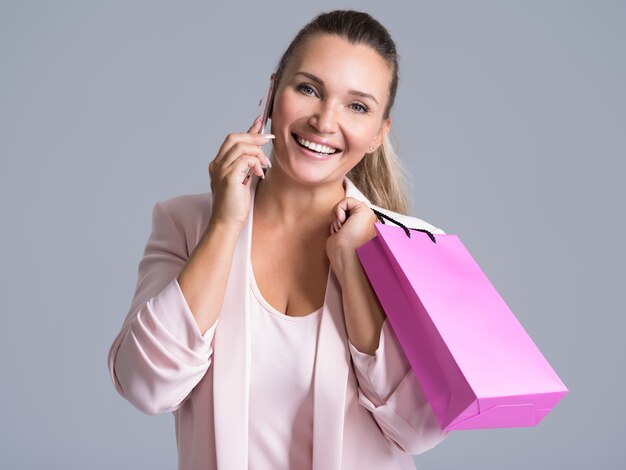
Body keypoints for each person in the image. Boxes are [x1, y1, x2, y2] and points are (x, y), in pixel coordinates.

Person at [108, 9, 449, 470]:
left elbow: (419, 428)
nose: (325, 121)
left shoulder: (412, 245)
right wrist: (224, 226)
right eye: (308, 89)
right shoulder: (185, 222)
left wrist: (354, 269)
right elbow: (147, 385)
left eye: (357, 106)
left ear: (377, 135)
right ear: (272, 93)